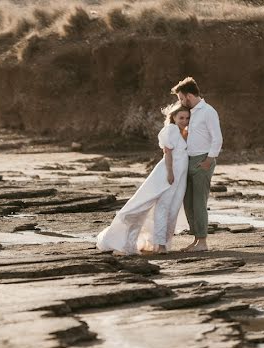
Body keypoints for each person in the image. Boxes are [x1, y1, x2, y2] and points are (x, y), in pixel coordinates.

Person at [96, 103, 190, 255]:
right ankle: (160, 245)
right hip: (168, 175)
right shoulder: (171, 130)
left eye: (187, 118)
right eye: (181, 117)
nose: (184, 120)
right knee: (163, 207)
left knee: (173, 210)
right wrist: (170, 173)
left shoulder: (182, 132)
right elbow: (168, 154)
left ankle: (162, 243)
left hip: (181, 178)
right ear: (173, 117)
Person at [172, 76, 223, 252]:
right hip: (189, 160)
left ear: (189, 96)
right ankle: (196, 239)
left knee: (199, 202)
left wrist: (209, 160)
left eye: (180, 98)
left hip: (203, 160)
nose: (180, 102)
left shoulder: (209, 111)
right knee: (188, 202)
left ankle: (202, 242)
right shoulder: (191, 112)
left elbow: (217, 138)